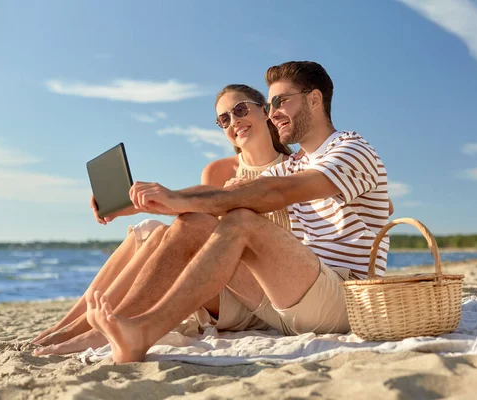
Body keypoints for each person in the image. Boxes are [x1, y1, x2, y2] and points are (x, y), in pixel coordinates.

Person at [82, 61, 392, 363]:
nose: (273, 113)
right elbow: (228, 192)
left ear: (314, 98)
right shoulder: (294, 163)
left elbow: (274, 193)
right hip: (286, 304)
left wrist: (177, 198)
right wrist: (137, 203)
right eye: (270, 105)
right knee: (194, 224)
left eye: (281, 101)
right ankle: (126, 325)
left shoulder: (352, 148)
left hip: (345, 298)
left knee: (242, 220)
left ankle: (142, 332)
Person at [30, 84, 294, 355]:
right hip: (210, 279)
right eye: (224, 119)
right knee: (150, 230)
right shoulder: (219, 170)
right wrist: (120, 207)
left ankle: (97, 332)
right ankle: (66, 327)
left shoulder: (296, 169)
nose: (234, 121)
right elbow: (192, 207)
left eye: (240, 109)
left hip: (250, 291)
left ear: (264, 111)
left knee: (165, 231)